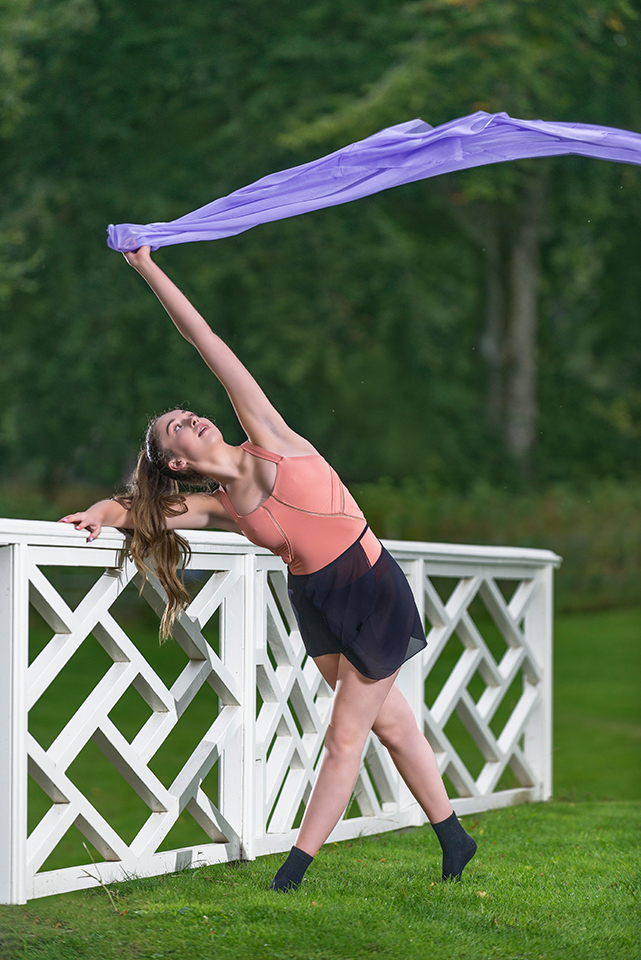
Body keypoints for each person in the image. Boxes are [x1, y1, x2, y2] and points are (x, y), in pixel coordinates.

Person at [61, 246, 477, 891]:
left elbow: (206, 340)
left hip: (369, 588)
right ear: (177, 461)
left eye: (188, 414)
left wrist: (148, 267)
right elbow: (137, 509)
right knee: (389, 723)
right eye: (178, 428)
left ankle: (294, 872)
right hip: (313, 600)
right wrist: (93, 513)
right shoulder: (219, 506)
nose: (191, 417)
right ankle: (455, 838)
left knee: (345, 740)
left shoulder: (271, 440)